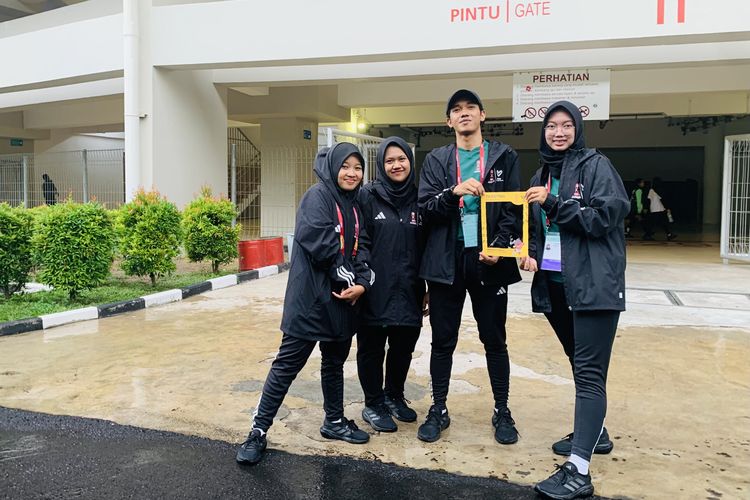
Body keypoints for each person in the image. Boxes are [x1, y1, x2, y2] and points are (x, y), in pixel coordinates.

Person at [236, 142, 375, 466]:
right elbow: (322, 245)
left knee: (334, 363)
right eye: (346, 166)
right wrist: (350, 279)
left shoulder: (355, 206)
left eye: (357, 168)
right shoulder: (317, 197)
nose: (352, 173)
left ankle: (334, 421)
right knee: (286, 367)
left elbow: (363, 247)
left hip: (341, 303)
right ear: (333, 167)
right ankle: (258, 430)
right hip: (310, 302)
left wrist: (363, 283)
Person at [521, 100, 629, 499]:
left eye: (567, 125)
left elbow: (606, 217)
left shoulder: (596, 166)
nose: (559, 132)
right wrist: (527, 249)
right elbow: (541, 230)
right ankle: (595, 434)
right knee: (578, 361)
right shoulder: (542, 173)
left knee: (588, 374)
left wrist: (553, 203)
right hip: (556, 286)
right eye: (552, 126)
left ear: (578, 129)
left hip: (594, 286)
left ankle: (579, 471)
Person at [416, 89, 523, 444]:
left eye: (470, 108)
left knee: (494, 338)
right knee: (442, 340)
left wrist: (501, 245)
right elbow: (426, 210)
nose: (464, 114)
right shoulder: (436, 159)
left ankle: (502, 410)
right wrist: (453, 193)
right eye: (456, 110)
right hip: (447, 261)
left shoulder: (503, 156)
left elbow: (513, 207)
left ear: (482, 114)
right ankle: (439, 409)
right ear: (449, 121)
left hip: (488, 261)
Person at [356, 136, 425, 432]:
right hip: (375, 289)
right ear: (381, 164)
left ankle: (394, 396)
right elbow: (360, 244)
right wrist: (363, 280)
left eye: (402, 159)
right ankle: (373, 403)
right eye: (389, 160)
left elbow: (428, 245)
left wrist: (429, 287)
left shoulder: (421, 198)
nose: (396, 165)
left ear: (410, 162)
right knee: (372, 349)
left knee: (403, 348)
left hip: (410, 288)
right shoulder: (367, 196)